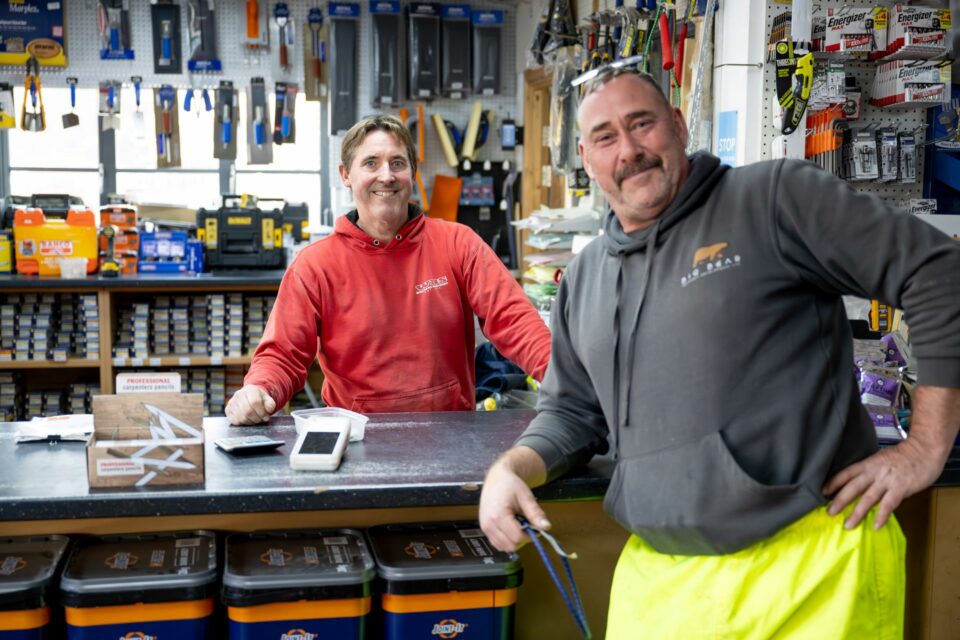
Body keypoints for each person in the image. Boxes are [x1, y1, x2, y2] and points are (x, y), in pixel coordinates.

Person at [479, 66, 960, 637]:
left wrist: (927, 445)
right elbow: (572, 415)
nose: (630, 150)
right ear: (586, 157)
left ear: (679, 126)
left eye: (642, 124)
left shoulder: (773, 198)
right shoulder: (584, 278)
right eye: (606, 137)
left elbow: (938, 274)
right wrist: (511, 469)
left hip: (815, 571)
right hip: (663, 586)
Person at [226, 115, 551, 424]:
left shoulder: (458, 244)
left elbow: (514, 319)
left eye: (397, 163)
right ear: (346, 175)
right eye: (371, 163)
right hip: (355, 438)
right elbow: (283, 353)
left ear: (413, 172)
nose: (387, 175)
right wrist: (259, 388)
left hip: (451, 435)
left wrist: (560, 373)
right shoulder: (314, 266)